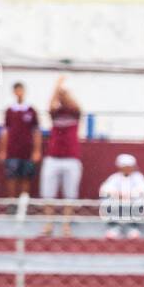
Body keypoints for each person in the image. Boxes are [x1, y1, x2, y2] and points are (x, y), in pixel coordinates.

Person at [39, 78, 82, 237]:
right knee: (48, 192)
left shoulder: (75, 113)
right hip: (53, 158)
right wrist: (56, 87)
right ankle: (49, 224)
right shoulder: (55, 113)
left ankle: (66, 225)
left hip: (71, 158)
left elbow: (76, 105)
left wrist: (66, 93)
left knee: (70, 194)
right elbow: (50, 105)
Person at [0, 82, 41, 198]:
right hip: (12, 151)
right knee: (11, 177)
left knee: (26, 178)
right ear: (14, 93)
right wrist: (3, 150)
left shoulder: (31, 110)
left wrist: (37, 151)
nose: (19, 93)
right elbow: (5, 131)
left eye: (21, 90)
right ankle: (12, 203)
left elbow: (36, 131)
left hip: (27, 151)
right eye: (17, 91)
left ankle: (23, 206)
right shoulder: (9, 111)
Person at [99, 153, 144, 239]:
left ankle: (133, 227)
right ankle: (114, 227)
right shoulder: (114, 177)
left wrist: (130, 194)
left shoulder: (138, 177)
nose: (128, 169)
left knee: (140, 202)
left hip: (132, 202)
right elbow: (104, 189)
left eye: (130, 166)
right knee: (106, 202)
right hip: (117, 202)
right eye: (125, 166)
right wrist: (117, 194)